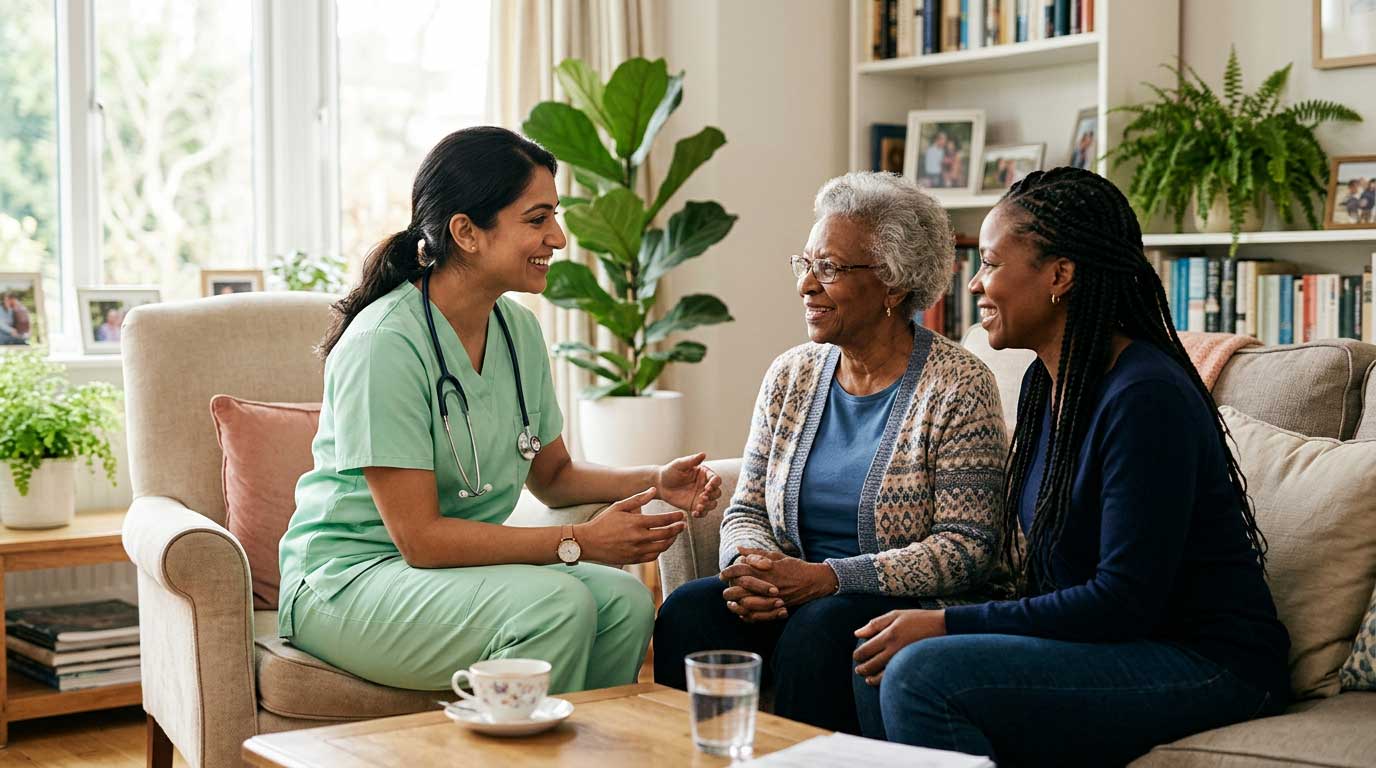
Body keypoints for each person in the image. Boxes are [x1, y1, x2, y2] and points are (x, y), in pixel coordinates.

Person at [851, 167, 1290, 766]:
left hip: (1210, 661)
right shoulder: (1046, 383)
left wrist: (947, 627)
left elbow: (1122, 600)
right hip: (1124, 640)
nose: (976, 284)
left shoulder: (1144, 396)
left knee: (920, 673)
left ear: (1060, 274)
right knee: (879, 660)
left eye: (991, 263)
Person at [277, 127, 724, 695]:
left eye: (554, 216)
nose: (558, 238)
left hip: (446, 575)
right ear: (466, 232)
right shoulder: (384, 344)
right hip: (347, 581)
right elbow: (421, 539)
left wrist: (656, 480)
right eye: (537, 220)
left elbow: (555, 478)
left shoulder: (518, 332)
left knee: (625, 601)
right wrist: (580, 543)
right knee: (556, 605)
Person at [654, 171, 1009, 734]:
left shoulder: (959, 386)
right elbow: (746, 508)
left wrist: (828, 577)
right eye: (806, 264)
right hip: (793, 592)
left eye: (831, 269)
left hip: (895, 606)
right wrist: (753, 567)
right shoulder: (791, 374)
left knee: (822, 627)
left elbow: (968, 549)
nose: (806, 286)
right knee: (691, 609)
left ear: (893, 284)